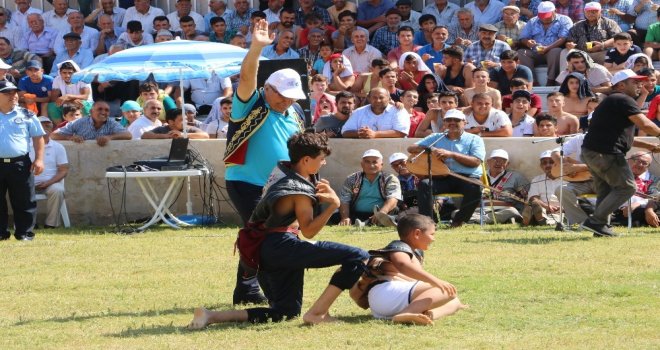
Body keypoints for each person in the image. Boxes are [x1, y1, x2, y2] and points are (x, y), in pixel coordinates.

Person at [188, 132, 369, 328]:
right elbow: (308, 231)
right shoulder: (298, 190)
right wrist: (333, 205)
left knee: (286, 311)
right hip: (281, 246)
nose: (324, 163)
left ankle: (211, 316)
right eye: (322, 159)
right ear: (306, 159)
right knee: (357, 256)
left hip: (263, 249)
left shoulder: (282, 171)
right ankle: (318, 313)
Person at [223, 19, 305, 305]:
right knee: (266, 235)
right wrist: (256, 48)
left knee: (262, 234)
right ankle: (266, 290)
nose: (287, 102)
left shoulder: (296, 115)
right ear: (269, 89)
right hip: (246, 181)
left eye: (292, 98)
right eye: (283, 96)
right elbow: (246, 78)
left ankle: (246, 288)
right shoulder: (252, 103)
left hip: (279, 186)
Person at [580, 69, 660, 237]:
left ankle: (600, 227)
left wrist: (650, 146)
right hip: (606, 153)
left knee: (606, 191)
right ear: (621, 85)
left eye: (640, 82)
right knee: (627, 187)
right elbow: (645, 124)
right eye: (635, 82)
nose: (640, 85)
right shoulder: (622, 99)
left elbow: (624, 138)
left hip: (593, 151)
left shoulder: (614, 101)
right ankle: (595, 220)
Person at [349, 214, 466, 325]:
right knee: (445, 289)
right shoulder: (399, 247)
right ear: (417, 233)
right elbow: (402, 265)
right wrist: (435, 281)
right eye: (432, 234)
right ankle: (408, 313)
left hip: (386, 304)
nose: (433, 239)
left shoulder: (413, 251)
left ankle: (426, 316)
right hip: (385, 293)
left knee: (453, 300)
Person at [407, 109, 486, 226]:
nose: (452, 122)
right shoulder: (436, 137)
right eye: (448, 120)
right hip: (441, 177)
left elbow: (476, 161)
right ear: (444, 123)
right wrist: (431, 149)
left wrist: (451, 154)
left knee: (476, 188)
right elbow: (411, 148)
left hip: (466, 178)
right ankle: (428, 223)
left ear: (465, 122)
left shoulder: (475, 139)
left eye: (456, 120)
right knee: (424, 184)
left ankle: (458, 221)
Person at [0, 80, 45, 241]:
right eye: (7, 93)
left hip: (20, 163)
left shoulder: (27, 115)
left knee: (24, 199)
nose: (13, 96)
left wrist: (39, 159)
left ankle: (24, 233)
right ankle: (1, 233)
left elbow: (38, 137)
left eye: (14, 92)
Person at [337, 149, 402, 226]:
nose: (371, 165)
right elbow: (344, 199)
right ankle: (372, 222)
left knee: (397, 215)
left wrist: (381, 213)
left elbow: (393, 199)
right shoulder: (352, 179)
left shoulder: (390, 178)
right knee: (335, 216)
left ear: (381, 165)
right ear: (362, 164)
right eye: (367, 162)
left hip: (383, 213)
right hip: (357, 214)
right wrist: (345, 217)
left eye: (375, 162)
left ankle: (366, 223)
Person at [517, 1, 573, 86]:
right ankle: (532, 81)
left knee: (556, 51)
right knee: (521, 52)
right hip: (535, 51)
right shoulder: (533, 21)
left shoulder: (564, 19)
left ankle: (551, 80)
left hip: (552, 51)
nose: (544, 18)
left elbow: (563, 38)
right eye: (542, 16)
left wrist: (548, 48)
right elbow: (523, 37)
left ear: (555, 11)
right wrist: (528, 42)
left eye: (547, 16)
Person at [29, 116, 68, 229]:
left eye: (48, 125)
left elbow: (63, 170)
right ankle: (30, 223)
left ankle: (51, 224)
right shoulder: (26, 146)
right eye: (42, 125)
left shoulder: (58, 147)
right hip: (29, 182)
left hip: (50, 183)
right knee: (21, 190)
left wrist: (48, 183)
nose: (45, 128)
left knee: (58, 190)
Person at [477, 149, 529, 224]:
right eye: (495, 160)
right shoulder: (479, 176)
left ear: (507, 164)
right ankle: (494, 219)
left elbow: (527, 196)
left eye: (503, 161)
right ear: (488, 162)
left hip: (505, 209)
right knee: (456, 212)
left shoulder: (516, 177)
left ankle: (477, 219)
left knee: (512, 212)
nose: (498, 163)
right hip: (482, 208)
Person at [612, 151, 660, 226]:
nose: (640, 165)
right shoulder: (616, 175)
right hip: (615, 209)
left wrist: (636, 204)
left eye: (644, 163)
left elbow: (654, 197)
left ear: (648, 166)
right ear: (628, 160)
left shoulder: (654, 180)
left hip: (640, 210)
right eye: (637, 161)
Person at [51, 100, 132, 145]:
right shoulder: (79, 122)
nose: (103, 112)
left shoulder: (111, 122)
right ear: (91, 111)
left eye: (106, 110)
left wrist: (109, 137)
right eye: (99, 109)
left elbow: (128, 135)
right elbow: (53, 135)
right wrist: (70, 138)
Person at [341, 87, 410, 139]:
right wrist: (361, 133)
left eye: (381, 97)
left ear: (389, 99)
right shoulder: (359, 112)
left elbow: (401, 132)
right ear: (368, 98)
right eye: (374, 97)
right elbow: (345, 132)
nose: (378, 100)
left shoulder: (399, 111)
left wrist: (375, 134)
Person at [522, 150, 562, 226]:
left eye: (551, 162)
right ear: (541, 166)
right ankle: (538, 218)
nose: (548, 165)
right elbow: (533, 198)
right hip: (543, 207)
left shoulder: (567, 178)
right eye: (544, 163)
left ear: (558, 164)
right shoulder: (537, 180)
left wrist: (561, 208)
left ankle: (538, 220)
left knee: (557, 217)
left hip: (560, 209)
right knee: (534, 205)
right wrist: (546, 207)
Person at [141, 108, 209, 139]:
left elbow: (205, 135)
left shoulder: (190, 129)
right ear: (171, 122)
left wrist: (182, 135)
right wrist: (165, 136)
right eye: (182, 120)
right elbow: (145, 135)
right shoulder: (161, 129)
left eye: (186, 119)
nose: (186, 122)